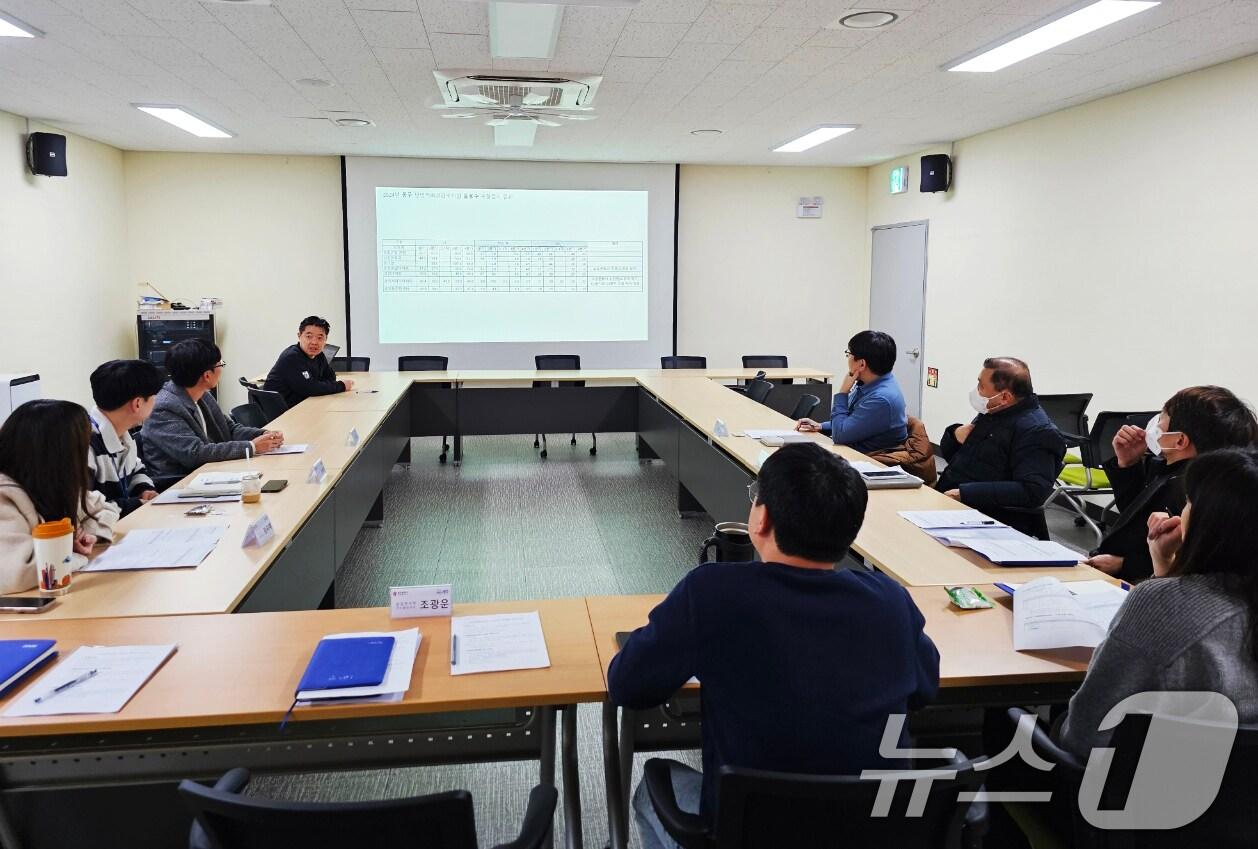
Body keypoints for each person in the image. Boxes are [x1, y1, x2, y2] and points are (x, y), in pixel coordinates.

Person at [608, 443, 939, 847]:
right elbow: (925, 689)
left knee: (650, 788)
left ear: (761, 518)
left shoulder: (712, 593)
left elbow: (627, 685)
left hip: (749, 830)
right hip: (871, 831)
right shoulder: (890, 601)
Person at [1059, 447, 1258, 759]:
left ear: (1211, 523)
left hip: (1142, 784)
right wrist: (1164, 566)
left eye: (1189, 502)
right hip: (1230, 785)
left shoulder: (1163, 603)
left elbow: (1085, 734)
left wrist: (1163, 585)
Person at [1085, 386, 1258, 583]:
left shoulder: (1198, 492)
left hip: (1148, 582)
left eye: (1161, 419)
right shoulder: (1169, 469)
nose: (1154, 425)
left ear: (1180, 441)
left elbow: (1196, 560)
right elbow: (1137, 518)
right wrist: (1128, 464)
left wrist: (1125, 564)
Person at [936, 357, 1065, 539]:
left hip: (990, 519)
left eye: (981, 386)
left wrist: (964, 493)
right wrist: (954, 434)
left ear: (1005, 397)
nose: (976, 392)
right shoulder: (993, 412)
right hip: (952, 502)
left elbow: (1032, 491)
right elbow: (958, 459)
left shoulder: (1037, 432)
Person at [0, 400, 120, 593]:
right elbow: (14, 574)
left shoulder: (50, 485)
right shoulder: (5, 495)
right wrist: (68, 552)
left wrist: (86, 535)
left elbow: (106, 509)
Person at [141, 339, 284, 482]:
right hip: (182, 482)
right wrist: (252, 446)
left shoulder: (203, 394)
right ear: (207, 375)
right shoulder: (163, 407)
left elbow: (229, 430)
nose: (222, 368)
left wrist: (262, 434)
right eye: (220, 364)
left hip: (211, 472)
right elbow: (194, 453)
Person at [795, 330, 908, 454]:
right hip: (851, 449)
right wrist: (821, 426)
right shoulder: (870, 382)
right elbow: (853, 421)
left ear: (862, 364)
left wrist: (843, 393)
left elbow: (840, 436)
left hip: (865, 458)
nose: (848, 358)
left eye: (849, 354)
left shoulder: (882, 399)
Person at [87, 359, 165, 516]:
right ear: (137, 403)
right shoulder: (85, 443)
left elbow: (136, 468)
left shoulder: (122, 433)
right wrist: (134, 504)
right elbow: (85, 508)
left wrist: (144, 489)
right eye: (153, 397)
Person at [263, 316, 353, 408]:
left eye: (320, 338)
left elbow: (330, 377)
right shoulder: (292, 357)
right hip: (280, 412)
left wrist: (317, 386)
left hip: (303, 405)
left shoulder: (319, 355)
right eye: (309, 336)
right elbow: (310, 388)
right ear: (299, 336)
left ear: (326, 339)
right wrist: (342, 385)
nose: (314, 342)